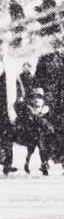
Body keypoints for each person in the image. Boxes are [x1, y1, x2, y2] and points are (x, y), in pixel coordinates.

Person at [34, 36, 64, 177]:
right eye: (58, 45)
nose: (60, 48)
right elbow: (37, 82)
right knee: (49, 132)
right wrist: (41, 100)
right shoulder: (45, 60)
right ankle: (47, 161)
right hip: (52, 103)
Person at [16, 87, 54, 176]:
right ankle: (27, 163)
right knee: (31, 148)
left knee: (42, 148)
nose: (37, 99)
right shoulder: (29, 108)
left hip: (40, 131)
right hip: (32, 131)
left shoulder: (44, 108)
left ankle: (44, 165)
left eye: (39, 97)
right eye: (35, 96)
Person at [0, 40, 18, 175]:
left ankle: (8, 164)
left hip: (7, 103)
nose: (2, 51)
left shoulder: (10, 63)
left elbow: (16, 82)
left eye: (3, 48)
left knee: (8, 133)